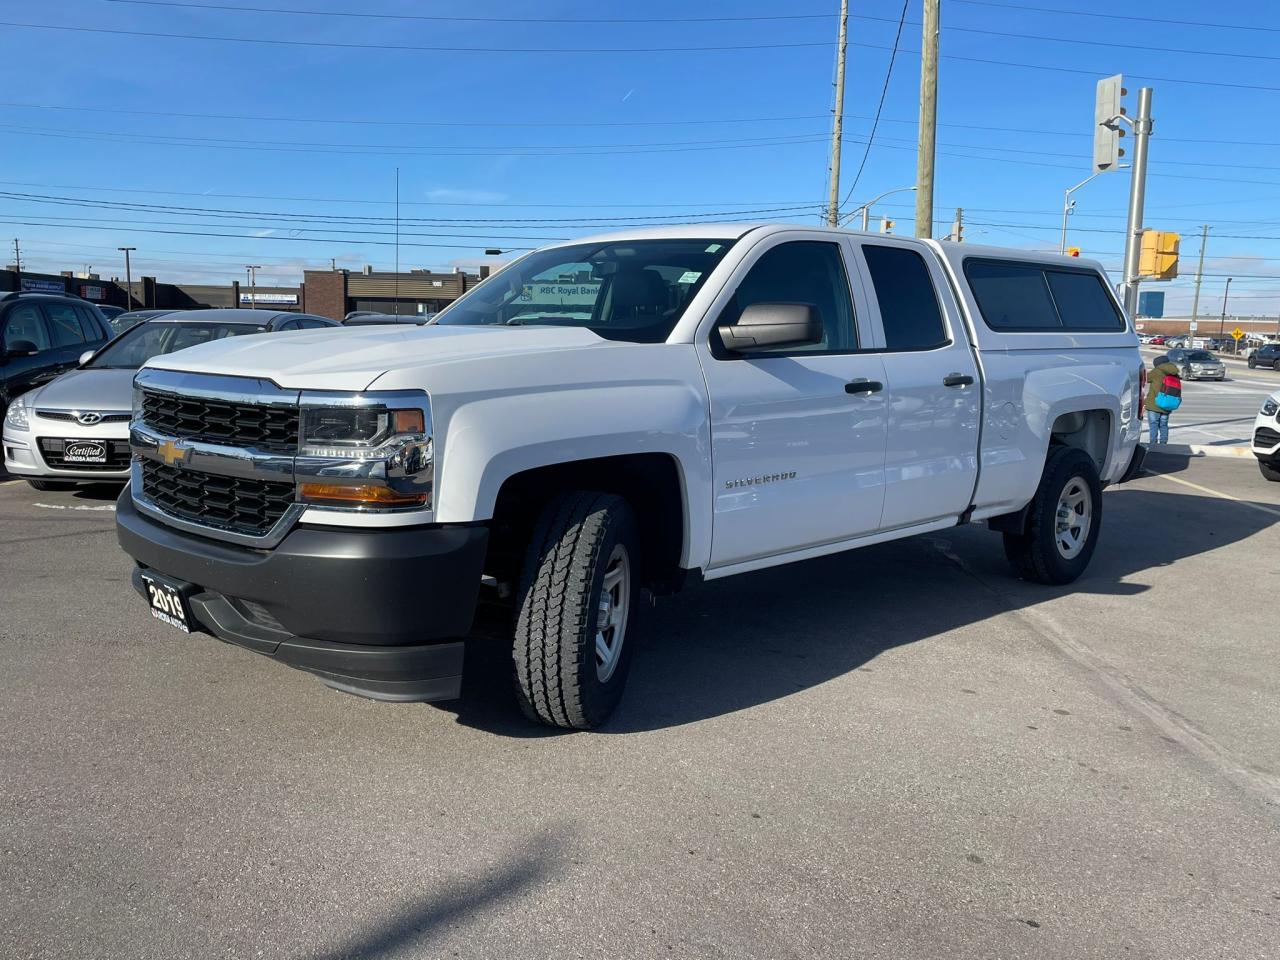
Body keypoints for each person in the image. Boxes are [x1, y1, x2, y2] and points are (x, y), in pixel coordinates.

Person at [1144, 354, 1182, 445]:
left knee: (1154, 424)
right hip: (1168, 404)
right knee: (1164, 424)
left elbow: (1145, 378)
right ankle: (1163, 444)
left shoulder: (1157, 371)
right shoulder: (1174, 372)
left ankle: (1153, 443)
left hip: (1155, 404)